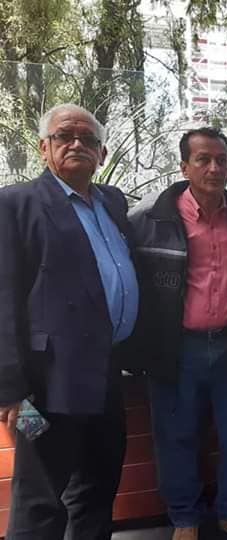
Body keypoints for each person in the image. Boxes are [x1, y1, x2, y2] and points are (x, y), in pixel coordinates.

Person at [0, 103, 138, 539]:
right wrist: (9, 389)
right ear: (44, 147)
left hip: (105, 376)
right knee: (39, 498)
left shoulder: (112, 202)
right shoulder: (15, 203)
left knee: (97, 488)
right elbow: (2, 296)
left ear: (102, 152)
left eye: (88, 138)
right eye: (64, 136)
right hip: (44, 388)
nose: (77, 144)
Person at [129, 127, 227, 540]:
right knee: (177, 438)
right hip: (178, 349)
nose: (214, 168)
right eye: (203, 159)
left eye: (221, 159)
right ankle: (185, 519)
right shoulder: (150, 220)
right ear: (184, 166)